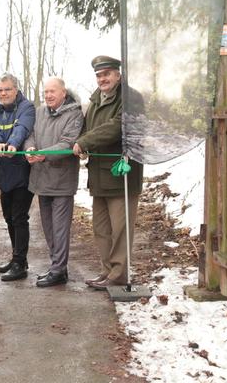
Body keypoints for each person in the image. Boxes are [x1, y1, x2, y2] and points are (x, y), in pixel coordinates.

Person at [73, 55, 144, 290]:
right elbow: (87, 127)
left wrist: (85, 142)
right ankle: (107, 271)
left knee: (121, 228)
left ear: (118, 74)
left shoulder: (130, 98)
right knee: (101, 228)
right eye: (99, 75)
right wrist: (81, 143)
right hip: (98, 175)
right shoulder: (95, 100)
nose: (102, 79)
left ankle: (120, 274)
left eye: (106, 74)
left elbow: (116, 126)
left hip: (121, 175)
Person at [24, 77, 83, 287]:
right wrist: (31, 148)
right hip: (41, 178)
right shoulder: (39, 112)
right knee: (47, 227)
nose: (48, 95)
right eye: (46, 92)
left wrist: (43, 154)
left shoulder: (74, 114)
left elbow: (67, 143)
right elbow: (30, 135)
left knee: (59, 228)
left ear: (63, 93)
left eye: (53, 92)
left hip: (62, 180)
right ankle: (57, 267)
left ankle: (58, 270)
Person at [0, 73, 35, 281]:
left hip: (22, 170)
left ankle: (20, 263)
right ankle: (17, 258)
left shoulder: (26, 107)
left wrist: (13, 145)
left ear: (16, 90)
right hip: (4, 170)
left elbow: (21, 129)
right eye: (0, 90)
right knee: (8, 217)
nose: (3, 93)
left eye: (7, 89)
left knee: (19, 217)